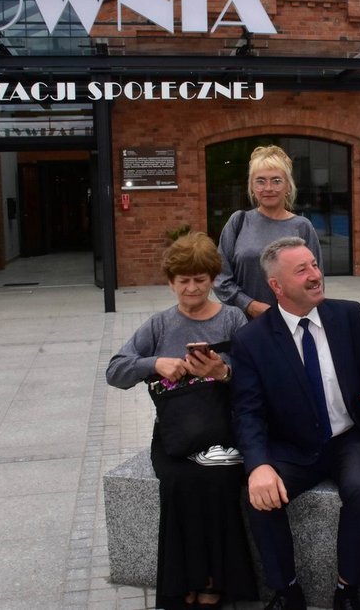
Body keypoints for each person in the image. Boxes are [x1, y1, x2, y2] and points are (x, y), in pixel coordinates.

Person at [230, 236, 360, 610]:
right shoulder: (252, 340)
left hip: (348, 439)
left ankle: (347, 590)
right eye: (302, 270)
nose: (315, 275)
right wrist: (257, 466)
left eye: (315, 265)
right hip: (291, 447)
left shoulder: (348, 315)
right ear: (277, 285)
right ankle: (287, 591)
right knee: (261, 498)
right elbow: (247, 411)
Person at [106, 232, 258, 610]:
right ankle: (185, 580)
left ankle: (213, 580)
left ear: (212, 280)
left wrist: (223, 371)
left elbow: (261, 373)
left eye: (200, 279)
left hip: (224, 427)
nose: (192, 288)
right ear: (171, 283)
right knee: (177, 482)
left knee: (218, 480)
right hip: (176, 433)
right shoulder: (159, 325)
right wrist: (154, 363)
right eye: (184, 280)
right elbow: (115, 371)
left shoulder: (233, 318)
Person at [214, 145, 323, 319]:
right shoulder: (239, 222)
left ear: (288, 186)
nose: (268, 188)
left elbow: (315, 280)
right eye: (260, 181)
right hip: (243, 322)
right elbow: (220, 278)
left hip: (290, 322)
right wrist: (249, 305)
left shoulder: (302, 227)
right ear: (252, 186)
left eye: (276, 181)